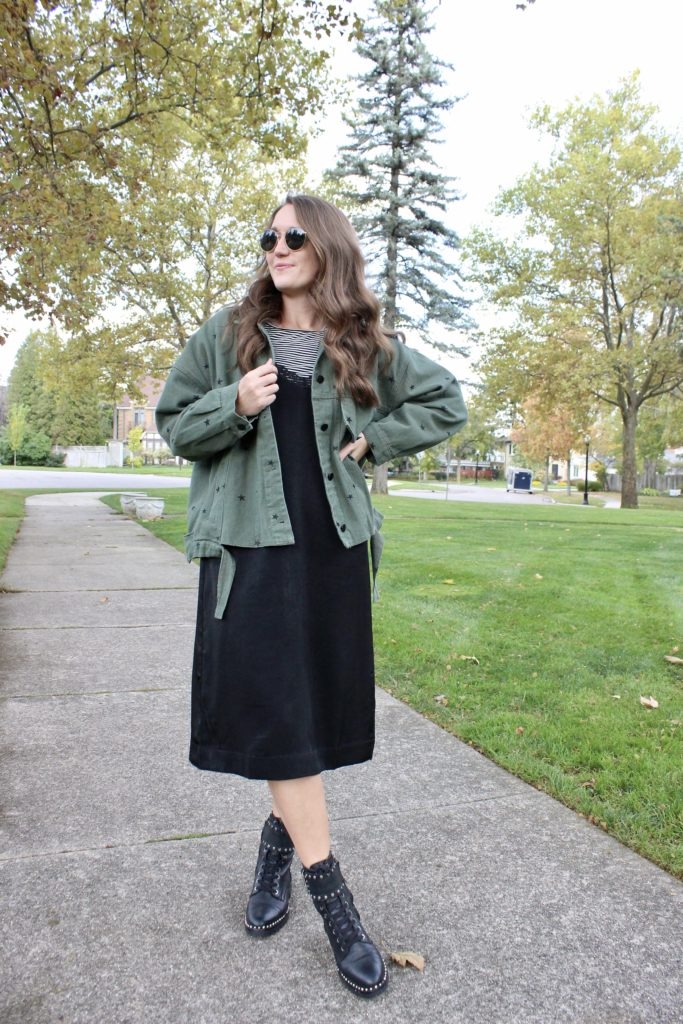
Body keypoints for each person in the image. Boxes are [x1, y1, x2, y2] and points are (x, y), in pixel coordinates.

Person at [156, 193, 467, 998]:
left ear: (324, 246)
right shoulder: (229, 335)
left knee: (305, 715)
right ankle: (337, 909)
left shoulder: (361, 342)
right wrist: (235, 402)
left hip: (330, 552)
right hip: (248, 551)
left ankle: (273, 853)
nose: (277, 246)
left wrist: (378, 440)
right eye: (268, 236)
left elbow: (445, 402)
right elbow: (173, 422)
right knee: (276, 712)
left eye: (293, 235)